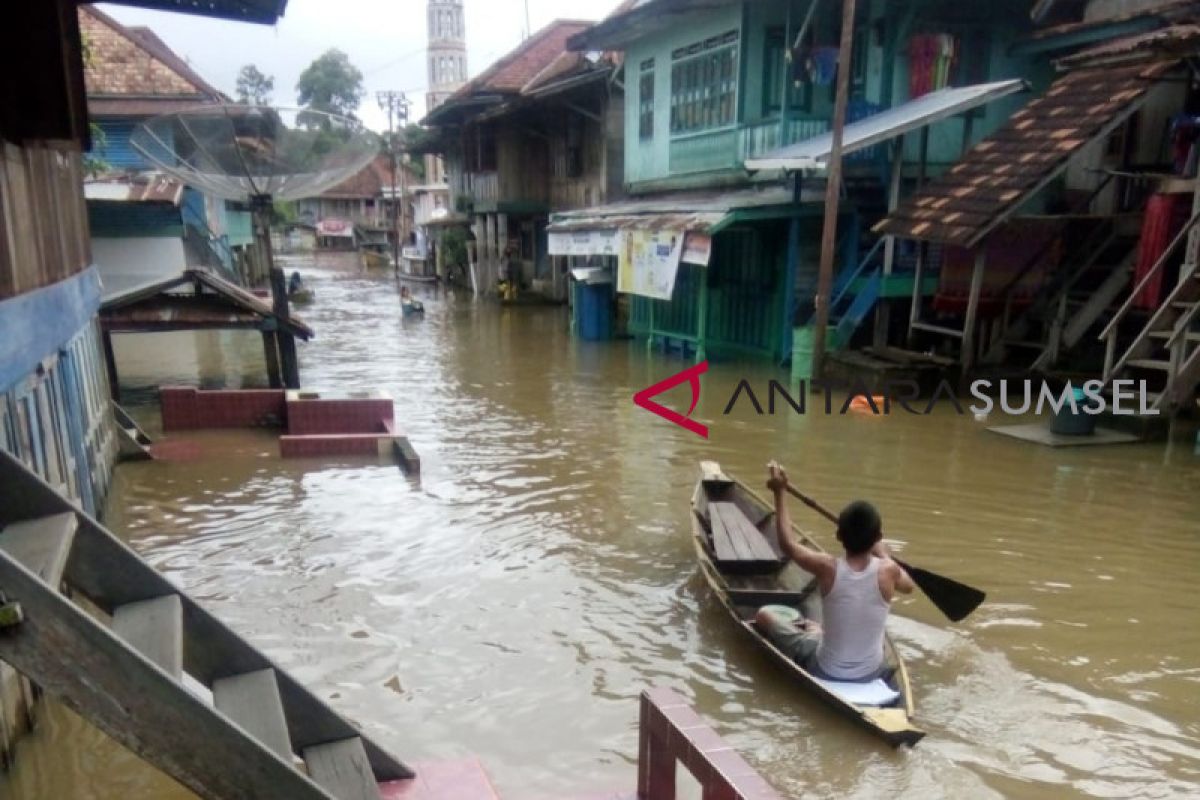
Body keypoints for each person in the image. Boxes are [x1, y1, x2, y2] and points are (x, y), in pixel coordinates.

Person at [756, 461, 914, 682]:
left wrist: (780, 493)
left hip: (824, 669)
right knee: (820, 631)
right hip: (871, 673)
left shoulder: (827, 567)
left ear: (839, 536)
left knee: (763, 616)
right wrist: (884, 554)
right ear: (878, 538)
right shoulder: (890, 570)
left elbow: (788, 545)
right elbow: (909, 586)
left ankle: (816, 633)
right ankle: (817, 632)